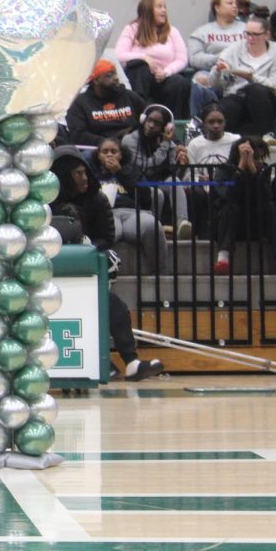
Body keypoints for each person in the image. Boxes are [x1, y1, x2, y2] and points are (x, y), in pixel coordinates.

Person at [50, 145, 165, 381]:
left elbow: (108, 237)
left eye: (84, 172)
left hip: (87, 270)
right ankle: (103, 360)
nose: (84, 177)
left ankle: (131, 362)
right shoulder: (44, 202)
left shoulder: (97, 198)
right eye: (77, 174)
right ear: (63, 177)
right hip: (48, 275)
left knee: (113, 305)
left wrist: (87, 245)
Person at [115, 0, 208, 120]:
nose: (164, 10)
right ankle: (141, 117)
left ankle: (176, 124)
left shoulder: (172, 31)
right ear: (147, 9)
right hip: (140, 79)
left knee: (179, 82)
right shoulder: (131, 29)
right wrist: (144, 58)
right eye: (159, 7)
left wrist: (166, 72)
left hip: (164, 78)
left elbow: (182, 59)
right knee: (140, 67)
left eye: (164, 7)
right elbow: (119, 55)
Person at [90, 135, 169, 273]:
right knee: (109, 233)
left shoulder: (131, 170)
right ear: (98, 155)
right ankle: (102, 275)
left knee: (153, 226)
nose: (109, 155)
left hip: (132, 213)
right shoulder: (91, 173)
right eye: (105, 151)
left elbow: (145, 197)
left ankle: (160, 274)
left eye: (114, 151)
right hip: (107, 213)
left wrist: (119, 172)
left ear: (121, 154)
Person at [121, 103, 192, 236]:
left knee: (175, 181)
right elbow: (144, 166)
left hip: (156, 181)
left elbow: (170, 169)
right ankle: (154, 229)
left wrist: (181, 165)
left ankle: (182, 223)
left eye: (157, 123)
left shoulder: (166, 142)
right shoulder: (130, 140)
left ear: (165, 127)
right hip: (136, 181)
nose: (151, 125)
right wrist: (165, 145)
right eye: (150, 121)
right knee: (156, 194)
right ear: (143, 120)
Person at [211, 16, 276, 136]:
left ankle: (267, 135)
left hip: (266, 99)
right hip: (238, 96)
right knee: (228, 106)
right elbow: (215, 85)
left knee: (255, 89)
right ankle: (224, 141)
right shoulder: (234, 49)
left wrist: (251, 77)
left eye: (255, 34)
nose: (250, 38)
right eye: (247, 34)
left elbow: (275, 84)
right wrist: (217, 71)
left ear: (266, 34)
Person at [212, 136, 273, 275]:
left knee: (271, 207)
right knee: (231, 206)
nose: (259, 162)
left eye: (260, 158)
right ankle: (223, 258)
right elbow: (228, 195)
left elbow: (265, 197)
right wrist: (241, 167)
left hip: (256, 223)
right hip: (230, 224)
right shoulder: (223, 170)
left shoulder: (264, 170)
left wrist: (253, 170)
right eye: (255, 157)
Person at [66, 58, 148, 145]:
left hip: (131, 145)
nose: (116, 78)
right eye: (109, 75)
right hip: (97, 149)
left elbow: (147, 119)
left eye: (115, 74)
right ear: (96, 80)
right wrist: (108, 142)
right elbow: (78, 135)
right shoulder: (80, 103)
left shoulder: (130, 97)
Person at [186, 103, 238, 238]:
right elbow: (191, 174)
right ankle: (197, 232)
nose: (216, 125)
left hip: (227, 185)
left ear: (225, 122)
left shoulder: (235, 140)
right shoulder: (195, 144)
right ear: (204, 123)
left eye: (220, 121)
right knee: (196, 193)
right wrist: (199, 181)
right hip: (204, 187)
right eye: (211, 122)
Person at [188, 0, 247, 86]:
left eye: (236, 4)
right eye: (230, 3)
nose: (235, 6)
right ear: (217, 8)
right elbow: (194, 58)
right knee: (198, 79)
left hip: (242, 71)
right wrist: (220, 58)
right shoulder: (201, 32)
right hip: (212, 71)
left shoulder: (247, 28)